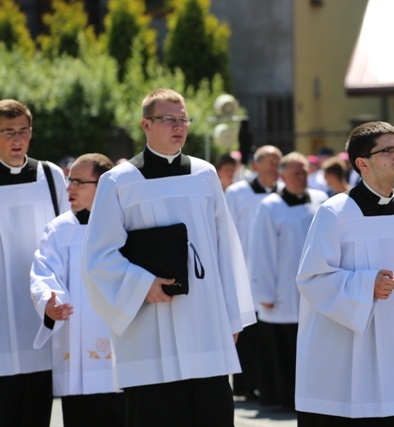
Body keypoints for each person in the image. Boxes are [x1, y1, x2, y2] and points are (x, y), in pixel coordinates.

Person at [82, 88, 256, 427]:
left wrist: (232, 318)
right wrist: (142, 284)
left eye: (183, 119)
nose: (179, 126)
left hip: (205, 324)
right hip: (150, 326)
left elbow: (226, 247)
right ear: (146, 124)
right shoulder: (118, 181)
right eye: (169, 119)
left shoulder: (204, 174)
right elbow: (98, 256)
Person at [296, 121, 394, 426]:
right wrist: (366, 286)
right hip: (348, 345)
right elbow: (311, 278)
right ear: (362, 163)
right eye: (388, 150)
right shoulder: (335, 212)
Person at [30, 153, 124, 427]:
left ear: (103, 185)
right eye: (69, 180)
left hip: (122, 356)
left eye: (79, 182)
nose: (69, 188)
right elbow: (43, 270)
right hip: (78, 355)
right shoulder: (58, 230)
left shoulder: (126, 225)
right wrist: (49, 302)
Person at [0, 99, 69, 427]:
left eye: (24, 132)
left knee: (37, 411)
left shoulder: (50, 176)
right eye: (8, 132)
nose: (17, 140)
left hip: (40, 311)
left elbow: (67, 235)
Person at [249, 152, 327, 410]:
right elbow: (261, 252)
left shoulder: (320, 200)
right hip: (282, 291)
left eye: (305, 172)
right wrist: (264, 294)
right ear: (282, 176)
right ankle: (282, 397)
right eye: (296, 173)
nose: (302, 177)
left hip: (315, 291)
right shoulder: (270, 206)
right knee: (283, 349)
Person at [225, 144, 283, 402]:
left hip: (277, 276)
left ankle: (268, 385)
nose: (274, 168)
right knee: (247, 334)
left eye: (277, 163)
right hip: (244, 273)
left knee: (271, 337)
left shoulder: (284, 195)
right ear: (256, 166)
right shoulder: (238, 193)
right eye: (269, 162)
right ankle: (245, 385)